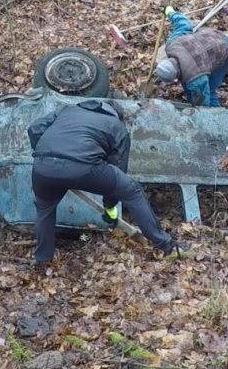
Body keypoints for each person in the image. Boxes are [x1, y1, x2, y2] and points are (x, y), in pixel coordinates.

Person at [27, 98, 183, 264]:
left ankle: (43, 259)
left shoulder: (66, 110)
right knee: (132, 191)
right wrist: (109, 206)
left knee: (44, 210)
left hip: (42, 167)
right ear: (116, 115)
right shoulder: (116, 126)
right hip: (83, 167)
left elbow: (34, 128)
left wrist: (48, 155)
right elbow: (117, 172)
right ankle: (166, 246)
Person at [154, 7, 228, 107]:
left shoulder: (195, 79)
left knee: (210, 90)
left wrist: (197, 107)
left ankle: (218, 114)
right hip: (215, 36)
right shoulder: (172, 44)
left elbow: (203, 106)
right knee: (192, 85)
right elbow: (184, 24)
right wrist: (170, 11)